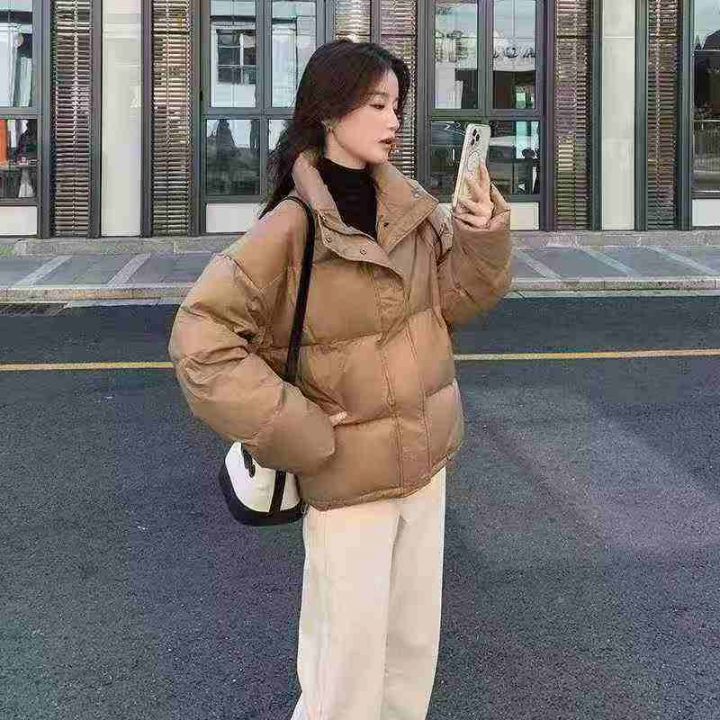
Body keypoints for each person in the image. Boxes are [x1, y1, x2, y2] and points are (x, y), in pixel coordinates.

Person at [168, 39, 512, 720]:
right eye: (377, 104)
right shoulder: (290, 226)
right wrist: (299, 429)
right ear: (330, 112)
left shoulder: (410, 208)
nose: (393, 120)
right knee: (346, 669)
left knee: (409, 654)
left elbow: (454, 303)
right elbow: (201, 342)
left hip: (425, 466)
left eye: (397, 105)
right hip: (348, 477)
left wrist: (480, 235)